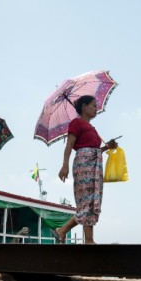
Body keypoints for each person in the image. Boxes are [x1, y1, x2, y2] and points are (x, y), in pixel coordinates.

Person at [54, 95, 118, 244]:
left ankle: (85, 238)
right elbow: (69, 145)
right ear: (84, 107)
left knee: (92, 201)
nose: (96, 108)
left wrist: (107, 147)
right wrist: (65, 165)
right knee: (86, 201)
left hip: (94, 164)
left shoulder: (92, 129)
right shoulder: (76, 123)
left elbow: (94, 149)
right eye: (93, 105)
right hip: (84, 163)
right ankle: (68, 232)